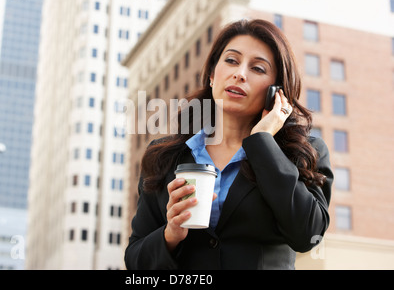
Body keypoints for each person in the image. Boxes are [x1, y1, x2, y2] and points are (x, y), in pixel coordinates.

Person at [124, 19, 333, 270]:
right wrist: (170, 234)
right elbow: (135, 261)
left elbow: (308, 234)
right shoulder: (165, 156)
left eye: (257, 68)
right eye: (231, 61)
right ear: (212, 75)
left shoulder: (303, 153)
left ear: (276, 91)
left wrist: (262, 142)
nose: (239, 74)